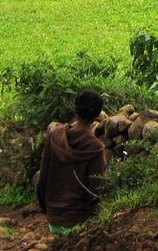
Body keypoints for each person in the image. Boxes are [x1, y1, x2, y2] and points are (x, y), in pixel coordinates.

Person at [36, 89, 109, 233]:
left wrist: (48, 210)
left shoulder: (54, 136)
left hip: (53, 218)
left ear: (75, 109)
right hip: (79, 221)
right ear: (97, 115)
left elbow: (42, 178)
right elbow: (95, 190)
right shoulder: (96, 148)